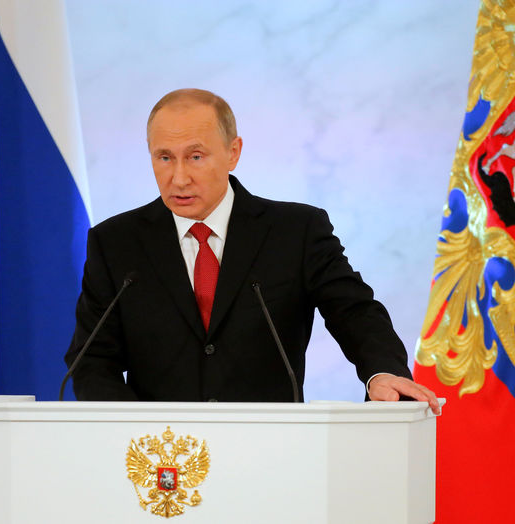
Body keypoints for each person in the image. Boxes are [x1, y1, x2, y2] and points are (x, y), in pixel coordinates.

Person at [65, 88, 440, 413]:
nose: (178, 177)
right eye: (164, 157)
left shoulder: (296, 231)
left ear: (233, 153)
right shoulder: (116, 243)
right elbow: (92, 361)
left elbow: (354, 311)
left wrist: (382, 371)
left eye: (195, 156)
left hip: (271, 453)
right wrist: (140, 431)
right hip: (162, 465)